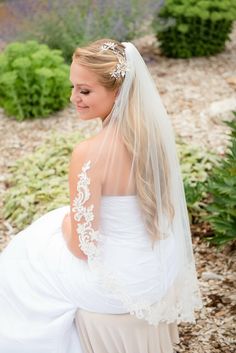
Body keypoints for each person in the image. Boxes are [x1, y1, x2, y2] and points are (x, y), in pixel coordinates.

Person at [0, 38, 203, 353]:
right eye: (73, 88)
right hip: (157, 268)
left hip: (117, 288)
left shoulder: (89, 153)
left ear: (118, 91)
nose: (74, 99)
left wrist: (68, 223)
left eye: (85, 91)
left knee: (23, 255)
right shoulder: (155, 139)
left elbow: (83, 249)